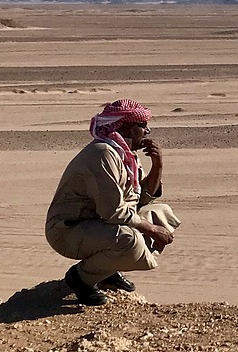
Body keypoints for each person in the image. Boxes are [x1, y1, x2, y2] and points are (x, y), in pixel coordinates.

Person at [45, 99, 181, 306]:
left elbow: (142, 198)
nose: (147, 131)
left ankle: (105, 270)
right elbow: (114, 212)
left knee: (161, 213)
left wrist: (158, 165)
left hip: (98, 226)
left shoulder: (125, 155)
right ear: (124, 127)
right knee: (129, 240)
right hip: (68, 231)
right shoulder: (103, 154)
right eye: (141, 126)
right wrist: (152, 230)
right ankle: (81, 278)